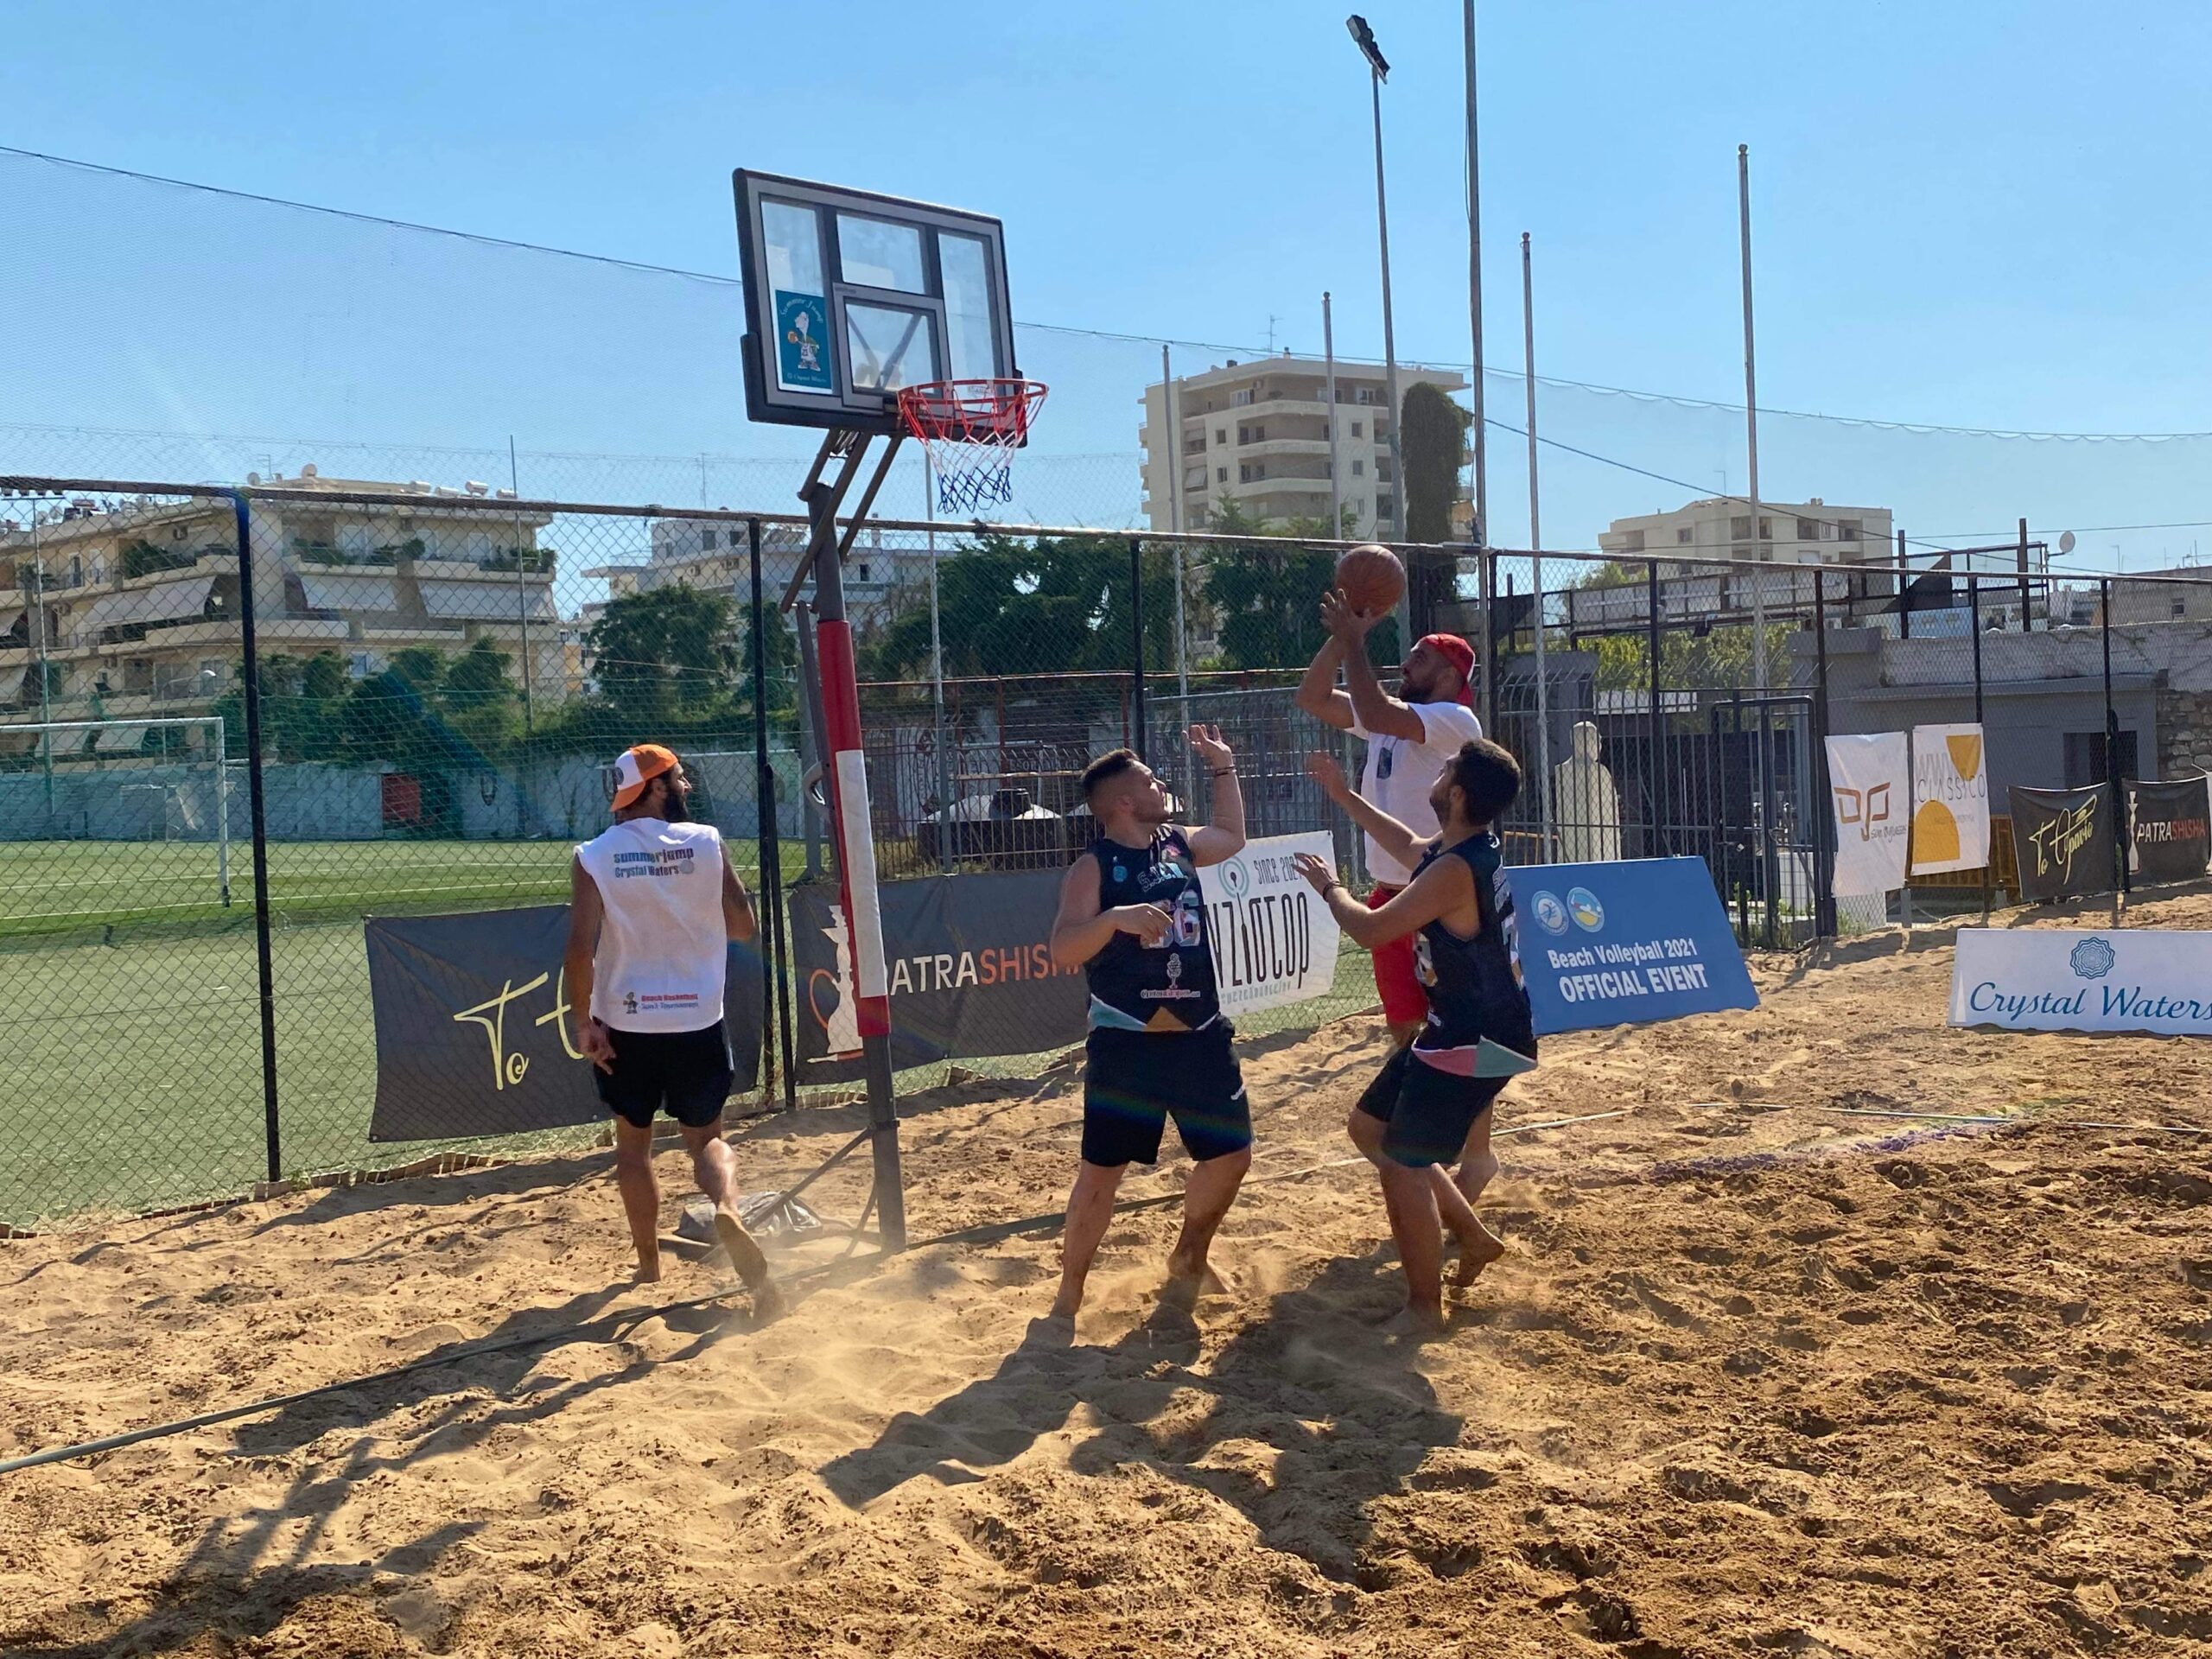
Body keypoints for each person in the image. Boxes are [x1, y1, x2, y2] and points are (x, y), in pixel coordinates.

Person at [1296, 737, 1535, 1335]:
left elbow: (1372, 931)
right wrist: (1342, 794)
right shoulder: (1460, 848)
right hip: (1458, 1026)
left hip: (1475, 1035)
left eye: (1449, 767)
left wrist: (1330, 888)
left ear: (1455, 793)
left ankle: (1424, 1309)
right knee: (1369, 1130)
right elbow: (1402, 842)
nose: (1441, 770)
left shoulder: (1456, 869)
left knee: (1402, 1165)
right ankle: (1473, 1237)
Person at [1045, 727, 1249, 1323]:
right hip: (1128, 1041)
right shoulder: (1093, 867)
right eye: (1150, 781)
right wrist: (1115, 919)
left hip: (1199, 1031)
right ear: (1124, 802)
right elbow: (1062, 948)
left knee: (1231, 1156)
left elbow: (1233, 837)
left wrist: (1224, 768)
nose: (1162, 785)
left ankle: (1189, 1256)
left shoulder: (1178, 843)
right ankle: (1069, 1294)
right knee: (1101, 1177)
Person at [563, 743, 772, 1300]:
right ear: (655, 786)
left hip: (626, 1021)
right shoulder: (706, 842)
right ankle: (726, 1207)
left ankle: (650, 1266)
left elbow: (580, 948)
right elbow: (742, 927)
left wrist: (584, 1022)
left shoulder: (594, 854)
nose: (686, 787)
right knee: (706, 1139)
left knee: (633, 1147)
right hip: (696, 1016)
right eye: (679, 778)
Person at [1293, 591, 1484, 1054]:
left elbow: (1376, 709)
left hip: (1437, 898)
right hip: (1389, 892)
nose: (1404, 665)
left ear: (1447, 675)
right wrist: (1342, 639)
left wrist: (1355, 641)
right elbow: (1312, 697)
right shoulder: (1392, 719)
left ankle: (1450, 1111)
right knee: (1403, 1024)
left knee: (1450, 1026)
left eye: (1418, 659)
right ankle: (1414, 1105)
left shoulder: (1455, 719)